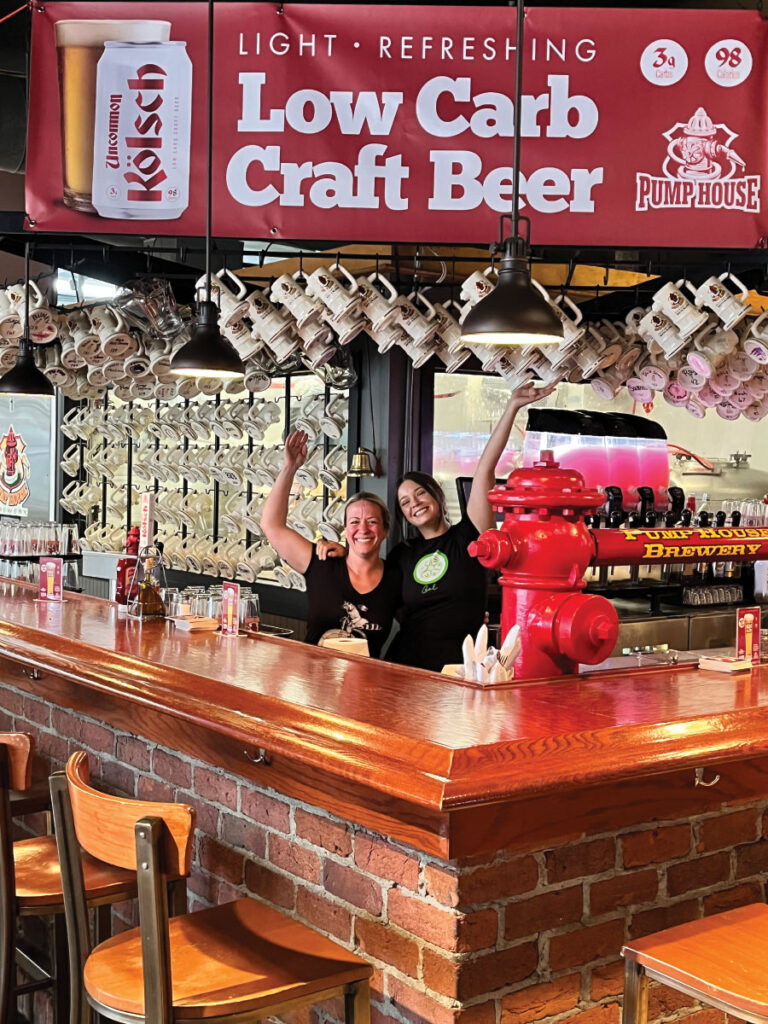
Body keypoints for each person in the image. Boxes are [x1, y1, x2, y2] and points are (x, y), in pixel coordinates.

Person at [319, 382, 556, 671]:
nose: (414, 503)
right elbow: (368, 581)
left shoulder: (470, 537)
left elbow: (484, 472)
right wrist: (344, 554)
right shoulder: (402, 555)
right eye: (405, 502)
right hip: (405, 669)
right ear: (404, 515)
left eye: (420, 493)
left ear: (437, 496)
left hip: (458, 671)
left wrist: (512, 408)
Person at [260, 430, 401, 657]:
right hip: (315, 683)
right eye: (354, 522)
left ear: (385, 530)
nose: (363, 529)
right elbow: (271, 525)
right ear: (346, 530)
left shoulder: (396, 577)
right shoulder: (321, 563)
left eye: (372, 522)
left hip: (366, 686)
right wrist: (290, 468)